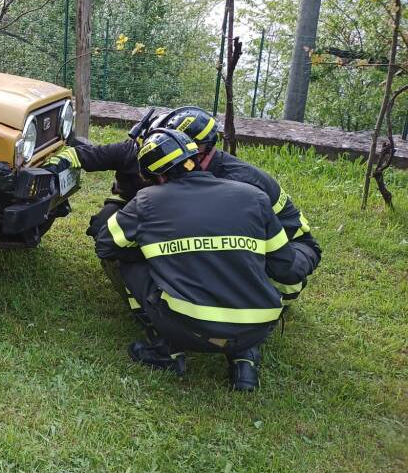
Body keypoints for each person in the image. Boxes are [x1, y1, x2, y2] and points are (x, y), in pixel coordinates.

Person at [93, 128, 311, 391]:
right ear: (196, 158)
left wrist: (155, 252)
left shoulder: (148, 200)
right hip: (257, 327)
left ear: (157, 176)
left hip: (185, 327)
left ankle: (165, 350)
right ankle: (244, 358)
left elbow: (105, 245)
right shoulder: (254, 197)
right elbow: (285, 268)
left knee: (127, 264)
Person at [43, 105, 321, 301]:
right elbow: (88, 155)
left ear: (200, 150)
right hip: (157, 219)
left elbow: (289, 241)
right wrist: (56, 163)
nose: (159, 147)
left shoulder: (245, 183)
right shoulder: (145, 151)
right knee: (107, 227)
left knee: (267, 271)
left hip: (275, 245)